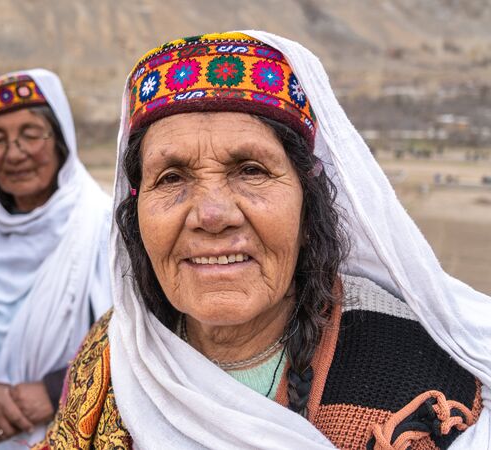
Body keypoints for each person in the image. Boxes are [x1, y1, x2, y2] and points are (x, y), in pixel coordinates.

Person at [37, 32, 491, 449]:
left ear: (308, 205)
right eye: (172, 177)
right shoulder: (114, 353)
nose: (211, 216)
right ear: (135, 214)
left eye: (251, 171)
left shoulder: (413, 385)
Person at [0, 69, 112, 450]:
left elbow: (133, 332)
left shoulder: (102, 223)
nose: (15, 153)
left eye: (31, 135)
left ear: (60, 140)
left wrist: (55, 391)